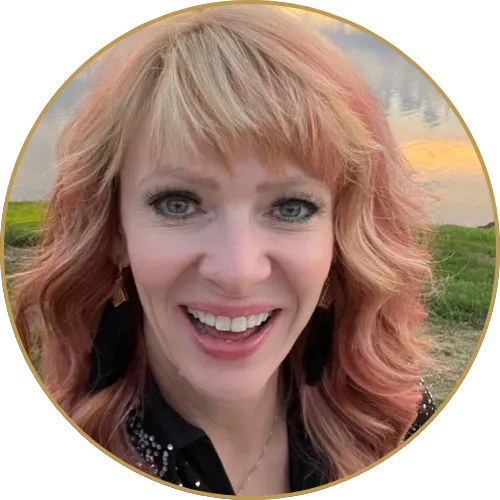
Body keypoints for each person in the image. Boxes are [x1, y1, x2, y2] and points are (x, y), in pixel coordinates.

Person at [11, 4, 438, 496]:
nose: (238, 272)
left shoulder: (397, 420)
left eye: (292, 208)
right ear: (115, 232)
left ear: (341, 237)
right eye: (177, 203)